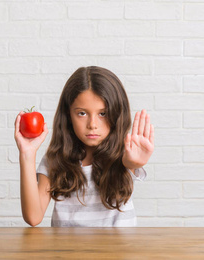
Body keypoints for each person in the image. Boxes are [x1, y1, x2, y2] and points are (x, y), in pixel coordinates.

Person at [14, 66, 154, 227]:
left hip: (118, 251)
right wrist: (27, 154)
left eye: (103, 113)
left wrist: (134, 165)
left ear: (116, 114)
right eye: (82, 113)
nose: (92, 125)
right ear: (68, 115)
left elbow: (130, 165)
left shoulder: (125, 155)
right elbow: (33, 217)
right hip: (68, 251)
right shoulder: (55, 159)